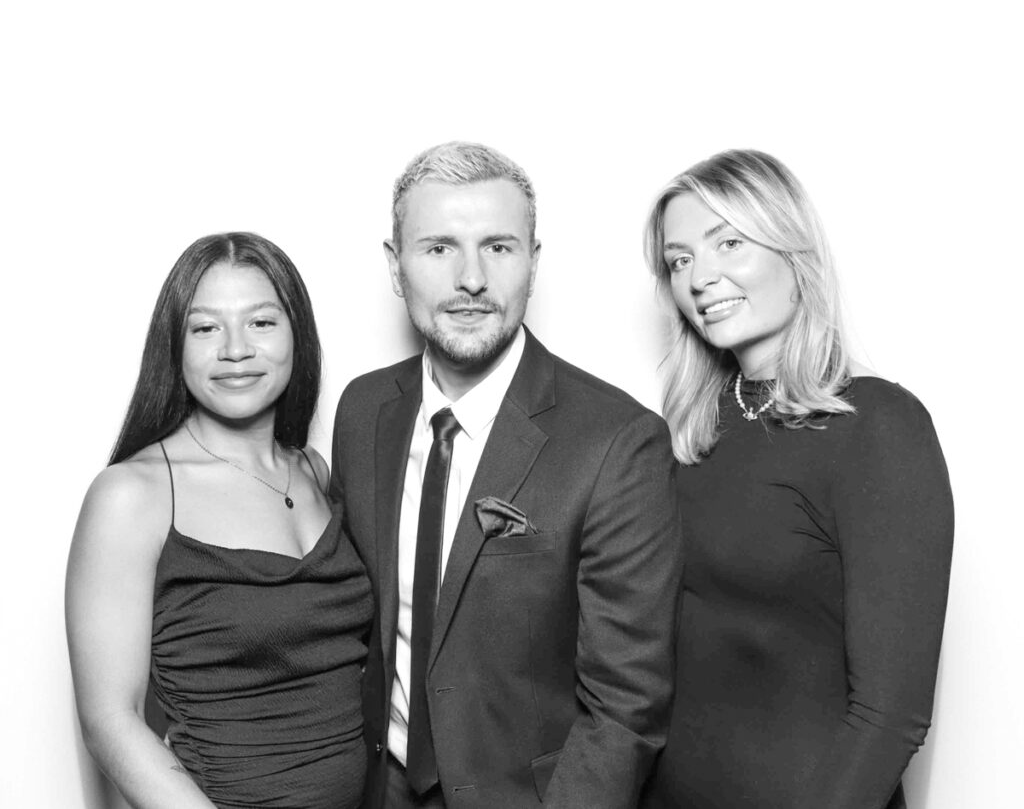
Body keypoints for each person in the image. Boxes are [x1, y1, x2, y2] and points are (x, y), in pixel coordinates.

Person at [330, 141, 681, 808]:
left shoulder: (616, 442)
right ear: (395, 266)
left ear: (533, 262)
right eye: (437, 248)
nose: (470, 278)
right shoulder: (362, 411)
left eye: (498, 247)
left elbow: (626, 707)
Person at [638, 150, 954, 809]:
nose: (702, 277)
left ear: (792, 249)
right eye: (680, 259)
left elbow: (890, 716)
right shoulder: (687, 432)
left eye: (729, 242)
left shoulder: (878, 427)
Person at [66, 232, 371, 809]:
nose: (235, 349)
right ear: (174, 348)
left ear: (296, 336)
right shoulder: (133, 495)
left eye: (261, 322)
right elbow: (109, 719)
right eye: (205, 328)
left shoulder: (315, 471)